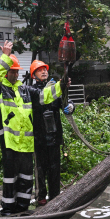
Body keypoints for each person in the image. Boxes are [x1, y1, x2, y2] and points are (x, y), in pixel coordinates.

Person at [0, 41, 66, 216]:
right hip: (9, 142)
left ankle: (23, 206)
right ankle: (8, 208)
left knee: (26, 177)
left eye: (16, 71)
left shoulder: (24, 90)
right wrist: (5, 57)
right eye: (12, 70)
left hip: (26, 143)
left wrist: (60, 86)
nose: (15, 73)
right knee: (10, 177)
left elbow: (44, 96)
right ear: (5, 72)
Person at [27, 60, 75, 206]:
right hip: (39, 136)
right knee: (40, 168)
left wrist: (70, 106)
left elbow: (66, 101)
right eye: (39, 70)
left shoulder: (55, 89)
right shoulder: (31, 91)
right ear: (33, 75)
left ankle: (55, 196)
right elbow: (43, 96)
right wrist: (59, 86)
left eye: (45, 69)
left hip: (54, 136)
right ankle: (41, 196)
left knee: (54, 167)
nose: (44, 71)